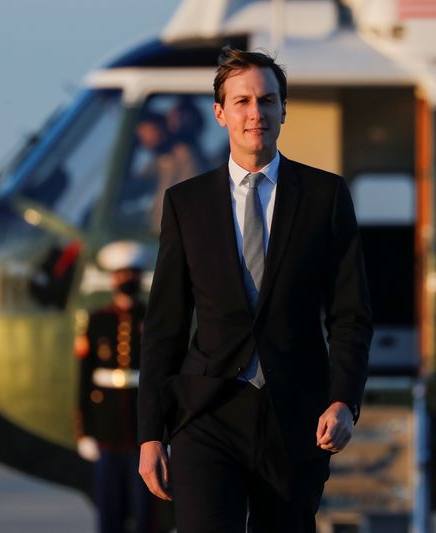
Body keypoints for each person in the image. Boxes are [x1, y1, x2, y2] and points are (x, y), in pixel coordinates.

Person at [137, 47, 373, 533]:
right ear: (220, 113)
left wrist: (343, 400)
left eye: (266, 100)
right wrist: (150, 435)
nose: (255, 113)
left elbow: (350, 314)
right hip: (206, 411)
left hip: (295, 417)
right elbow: (165, 326)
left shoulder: (325, 197)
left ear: (284, 110)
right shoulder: (186, 203)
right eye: (242, 101)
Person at [74, 241, 155, 533]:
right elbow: (85, 378)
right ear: (113, 279)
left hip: (141, 430)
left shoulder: (152, 318)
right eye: (121, 274)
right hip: (107, 428)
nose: (126, 280)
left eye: (131, 274)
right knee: (110, 511)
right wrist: (84, 430)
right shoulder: (98, 322)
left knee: (145, 511)